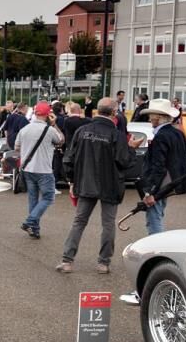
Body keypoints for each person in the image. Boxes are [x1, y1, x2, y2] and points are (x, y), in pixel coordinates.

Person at [57, 98, 141, 274]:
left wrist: (72, 181)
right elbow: (124, 162)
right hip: (110, 184)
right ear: (113, 113)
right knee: (108, 223)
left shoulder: (82, 131)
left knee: (79, 221)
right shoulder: (116, 135)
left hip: (86, 182)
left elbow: (68, 158)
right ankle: (103, 262)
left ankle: (67, 260)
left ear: (97, 111)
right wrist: (132, 148)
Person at [137, 99, 186, 234]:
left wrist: (150, 192)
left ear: (158, 117)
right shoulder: (177, 133)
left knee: (154, 218)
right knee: (158, 215)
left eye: (151, 116)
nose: (149, 118)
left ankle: (157, 249)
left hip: (161, 183)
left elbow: (158, 166)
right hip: (171, 182)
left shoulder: (161, 136)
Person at [14, 101, 64, 239]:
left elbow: (16, 147)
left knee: (33, 199)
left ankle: (34, 228)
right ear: (48, 115)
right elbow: (61, 140)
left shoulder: (24, 129)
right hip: (44, 169)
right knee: (48, 197)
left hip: (27, 168)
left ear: (35, 113)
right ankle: (30, 222)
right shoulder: (50, 130)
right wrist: (54, 124)